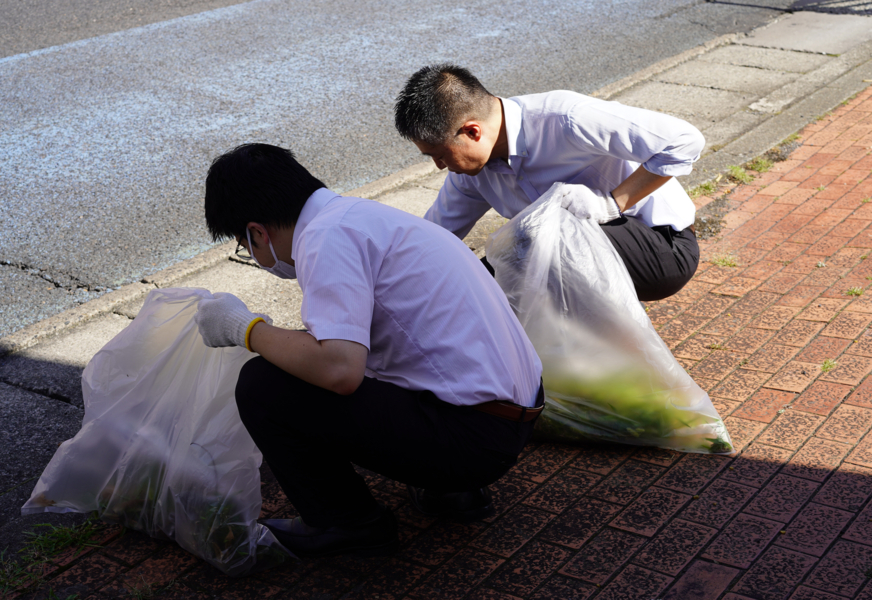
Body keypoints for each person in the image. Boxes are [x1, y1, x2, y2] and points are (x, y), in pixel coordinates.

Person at [194, 143, 543, 558]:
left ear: (256, 232)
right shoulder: (359, 217)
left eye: (244, 245)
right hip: (516, 411)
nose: (252, 254)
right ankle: (453, 492)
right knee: (343, 347)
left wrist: (244, 328)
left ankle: (347, 524)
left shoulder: (325, 239)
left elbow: (339, 370)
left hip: (475, 438)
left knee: (262, 385)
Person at [394, 64, 705, 302]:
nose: (439, 166)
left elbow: (684, 140)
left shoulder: (565, 118)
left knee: (531, 241)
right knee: (479, 287)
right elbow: (432, 240)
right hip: (571, 253)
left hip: (662, 248)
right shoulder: (470, 176)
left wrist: (611, 203)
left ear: (472, 131)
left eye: (439, 155)